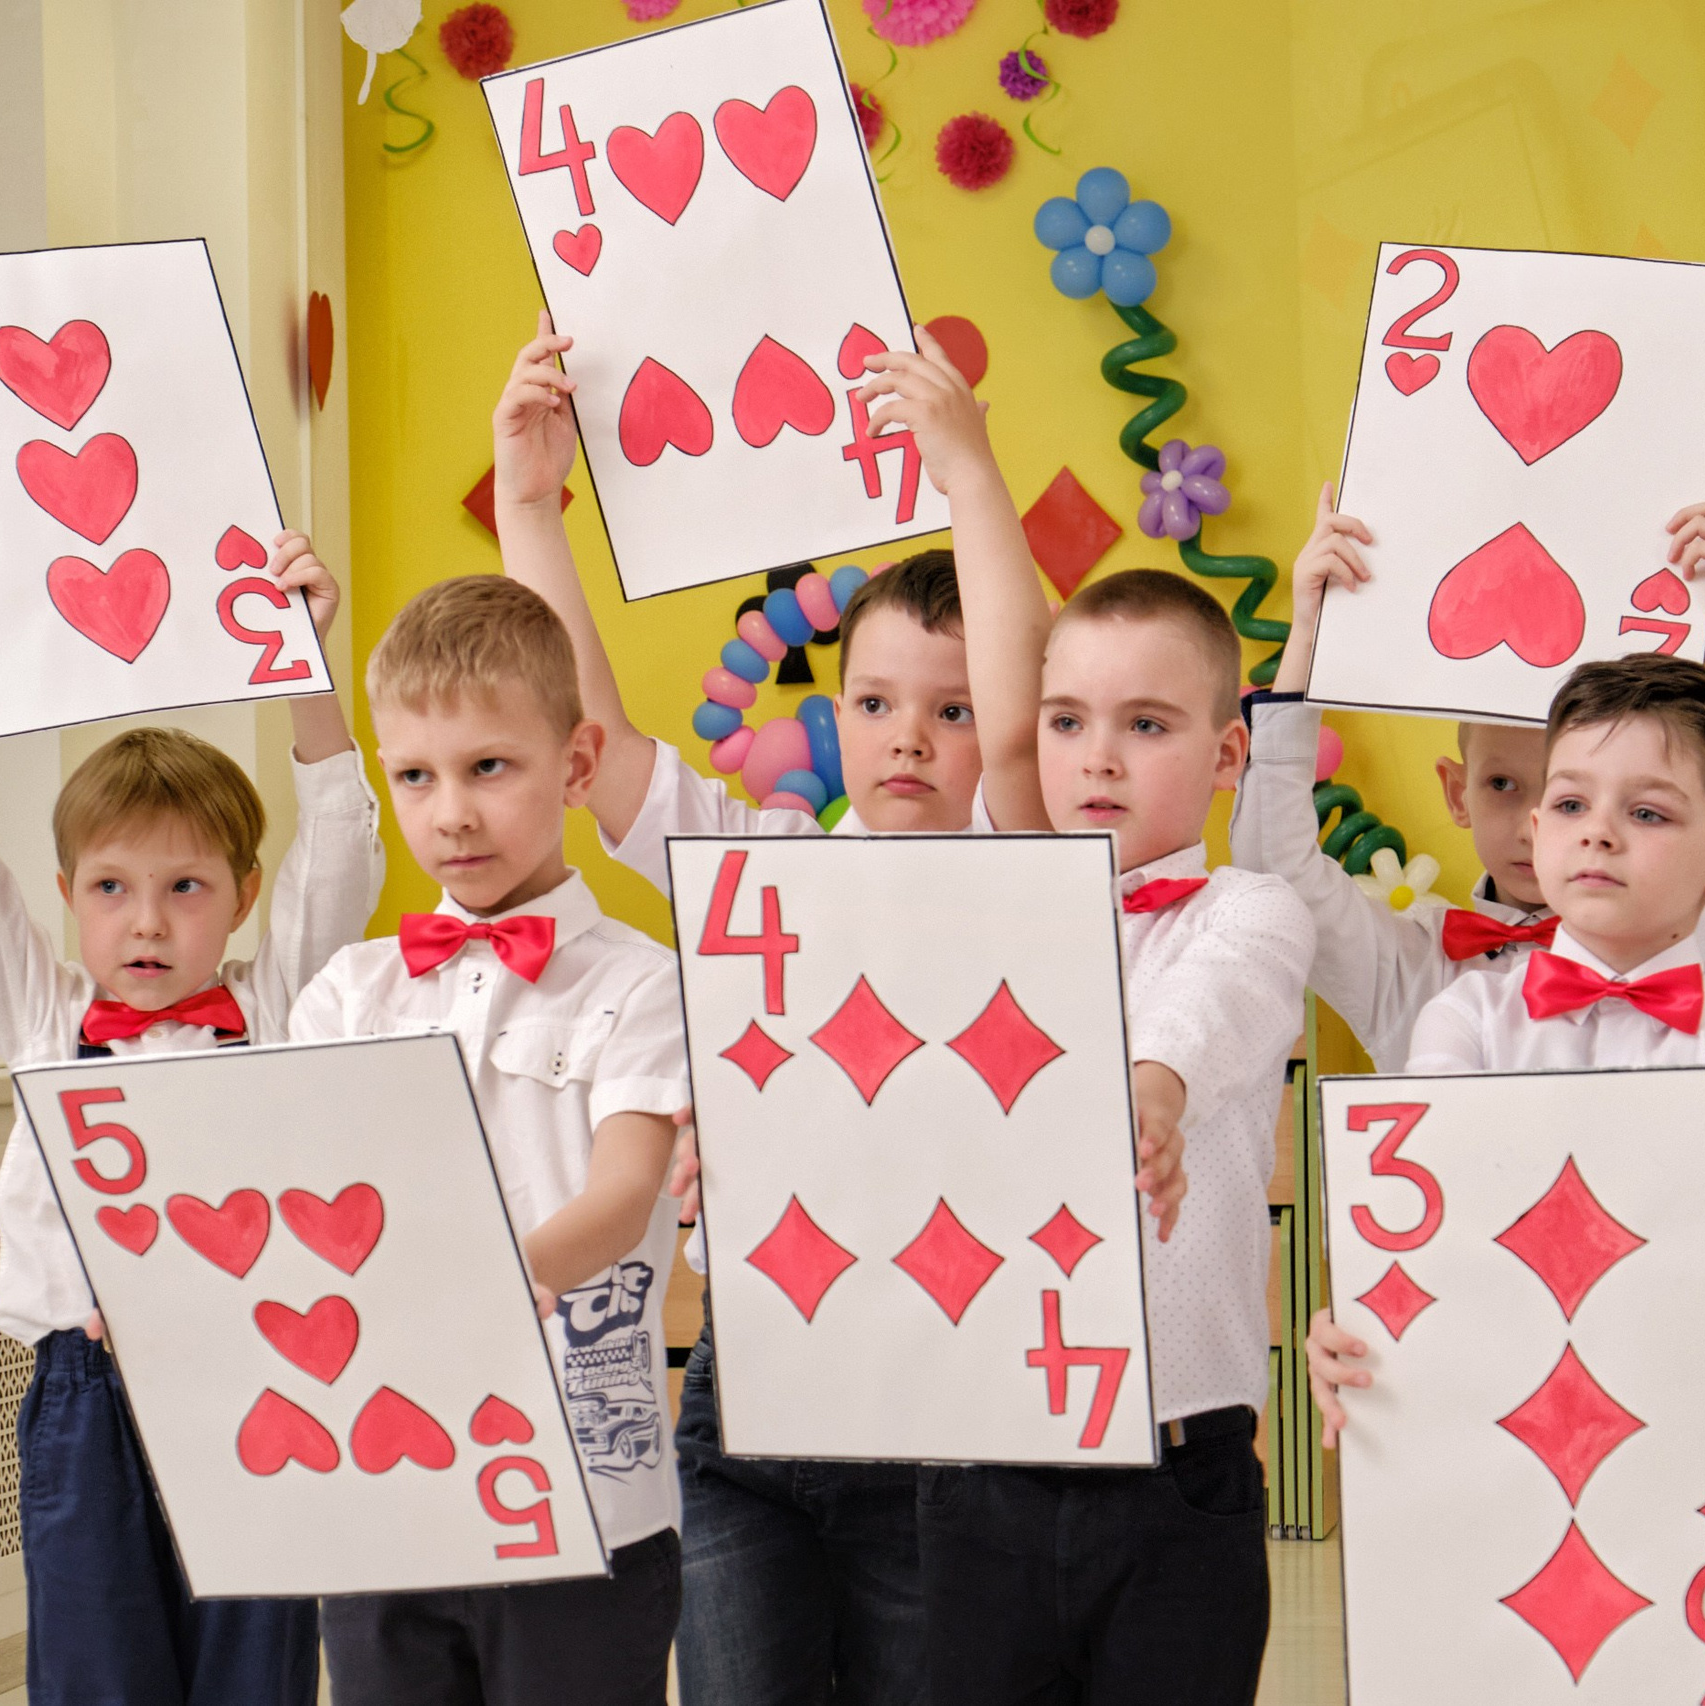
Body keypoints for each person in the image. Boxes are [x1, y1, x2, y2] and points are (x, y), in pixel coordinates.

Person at [492, 313, 1051, 1704]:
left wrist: (969, 472)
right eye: (871, 699)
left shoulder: (1023, 871)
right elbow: (599, 744)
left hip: (939, 1399)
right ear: (836, 715)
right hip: (747, 1401)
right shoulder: (763, 866)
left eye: (951, 705)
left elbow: (1030, 715)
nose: (908, 734)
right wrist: (526, 504)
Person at [0, 537, 377, 1706]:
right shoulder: (43, 1014)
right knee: (97, 1666)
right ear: (67, 898)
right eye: (112, 886)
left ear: (244, 897)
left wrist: (303, 653)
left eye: (185, 886)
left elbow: (343, 843)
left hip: (256, 1375)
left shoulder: (275, 998)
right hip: (86, 1393)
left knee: (252, 1665)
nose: (146, 919)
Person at [1304, 652, 1705, 1591]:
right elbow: (1423, 1229)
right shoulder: (1462, 1020)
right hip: (1494, 1447)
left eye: (1647, 812)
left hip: (1696, 1461)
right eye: (1570, 803)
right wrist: (1361, 1323)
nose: (1597, 835)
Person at [290, 575, 688, 1705]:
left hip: (584, 1501)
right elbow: (295, 1201)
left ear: (573, 764)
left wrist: (492, 1280)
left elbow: (623, 1193)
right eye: (414, 774)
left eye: (487, 767)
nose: (449, 811)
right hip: (389, 1487)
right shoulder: (347, 990)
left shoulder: (642, 983)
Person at [920, 568, 1314, 1706]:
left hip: (1175, 1476)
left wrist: (1149, 1092)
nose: (1098, 756)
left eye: (1145, 725)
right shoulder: (978, 910)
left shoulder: (1249, 909)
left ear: (1228, 753)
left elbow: (1212, 1010)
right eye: (1067, 721)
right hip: (980, 1462)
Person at [1236, 477, 1705, 1070]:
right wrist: (1310, 633)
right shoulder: (1408, 960)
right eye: (1504, 786)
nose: (1532, 826)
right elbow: (1275, 875)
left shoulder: (1670, 919)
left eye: (1638, 808)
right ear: (1456, 791)